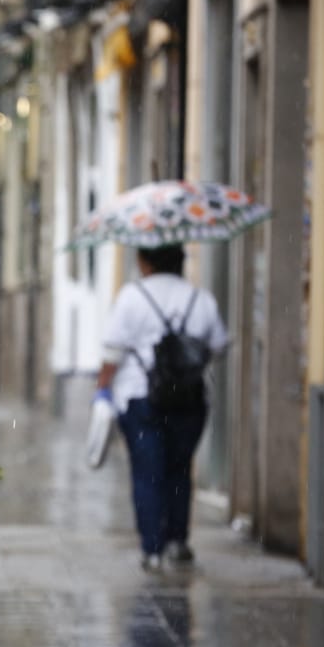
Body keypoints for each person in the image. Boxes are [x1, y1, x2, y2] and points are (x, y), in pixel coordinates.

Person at [95, 245, 229, 571]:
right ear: (181, 262)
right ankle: (177, 540)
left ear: (145, 261)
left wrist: (102, 390)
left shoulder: (131, 296)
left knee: (147, 473)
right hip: (189, 398)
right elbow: (219, 346)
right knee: (179, 469)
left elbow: (112, 353)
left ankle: (151, 548)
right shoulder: (202, 299)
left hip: (140, 397)